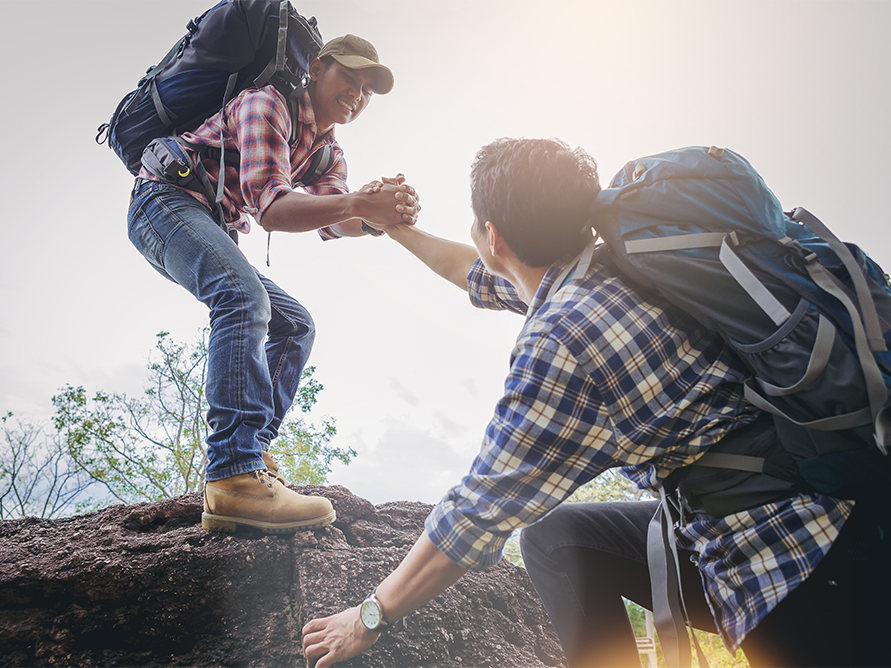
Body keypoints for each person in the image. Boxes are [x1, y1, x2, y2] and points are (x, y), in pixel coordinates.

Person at [300, 138, 888, 668]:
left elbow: (475, 514)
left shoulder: (561, 341)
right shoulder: (618, 266)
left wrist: (368, 617)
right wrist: (392, 227)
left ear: (495, 235)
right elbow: (469, 272)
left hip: (794, 560)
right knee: (557, 537)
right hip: (838, 493)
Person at [126, 34, 420, 535]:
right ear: (317, 67)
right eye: (349, 75)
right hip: (164, 203)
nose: (358, 92)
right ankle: (233, 476)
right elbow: (274, 210)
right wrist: (355, 206)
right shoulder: (268, 103)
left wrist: (376, 215)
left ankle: (253, 452)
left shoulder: (328, 152)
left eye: (368, 87)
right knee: (242, 298)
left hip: (209, 223)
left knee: (295, 324)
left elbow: (335, 220)